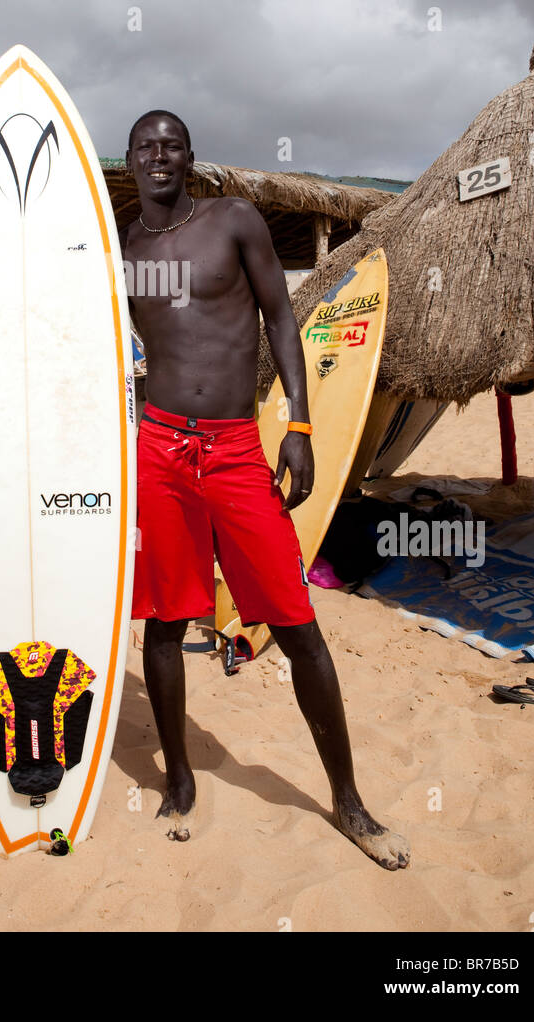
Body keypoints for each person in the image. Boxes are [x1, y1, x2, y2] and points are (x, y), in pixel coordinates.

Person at [121, 110, 410, 870]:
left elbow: (282, 318)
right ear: (130, 160)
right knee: (162, 619)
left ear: (189, 157)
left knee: (293, 617)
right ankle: (180, 779)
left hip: (234, 447)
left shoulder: (232, 221)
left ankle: (348, 801)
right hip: (158, 448)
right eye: (145, 146)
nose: (159, 155)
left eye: (171, 145)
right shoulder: (125, 250)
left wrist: (300, 425)